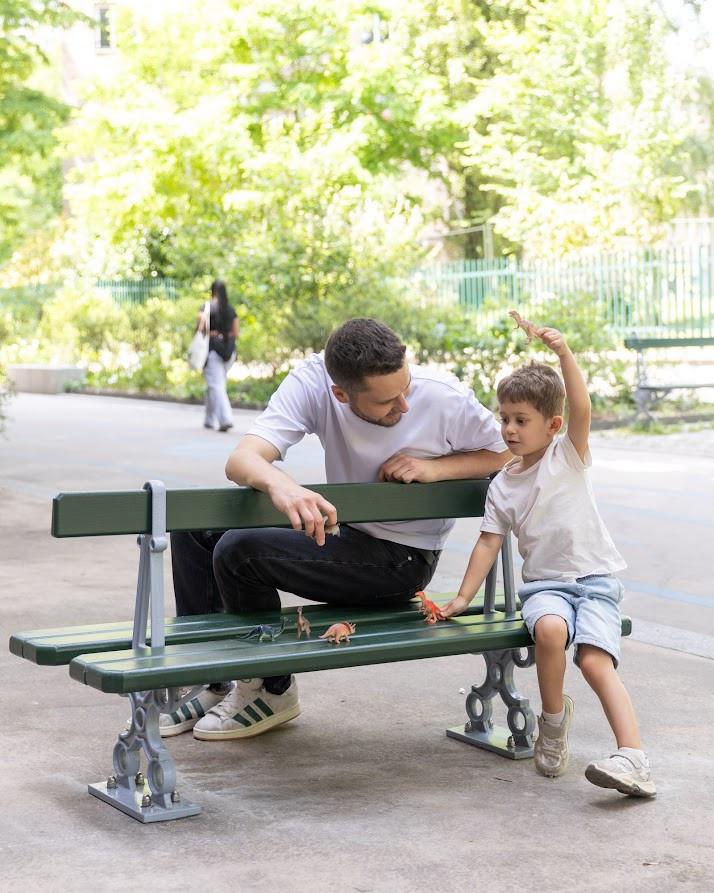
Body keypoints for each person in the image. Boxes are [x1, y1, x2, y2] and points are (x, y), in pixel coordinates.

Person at [167, 317, 510, 741]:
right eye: (387, 401)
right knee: (195, 529)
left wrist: (435, 468)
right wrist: (283, 486)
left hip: (401, 559)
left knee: (241, 551)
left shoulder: (444, 397)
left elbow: (509, 453)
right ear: (341, 394)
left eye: (405, 388)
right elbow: (242, 459)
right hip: (345, 536)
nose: (404, 405)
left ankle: (271, 690)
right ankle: (213, 679)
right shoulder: (315, 379)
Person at [441, 323, 656, 798]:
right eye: (504, 418)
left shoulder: (568, 455)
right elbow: (488, 543)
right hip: (545, 588)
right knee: (551, 631)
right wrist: (461, 597)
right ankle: (553, 725)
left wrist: (563, 352)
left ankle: (633, 758)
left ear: (552, 426)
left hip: (596, 582)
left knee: (596, 662)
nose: (509, 429)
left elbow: (582, 407)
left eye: (521, 420)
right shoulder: (502, 485)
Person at [200, 278, 239, 432]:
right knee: (215, 383)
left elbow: (200, 327)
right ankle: (209, 419)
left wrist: (213, 333)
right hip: (229, 352)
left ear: (212, 292)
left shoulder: (207, 308)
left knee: (216, 385)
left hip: (213, 352)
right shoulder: (230, 310)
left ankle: (225, 419)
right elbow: (236, 332)